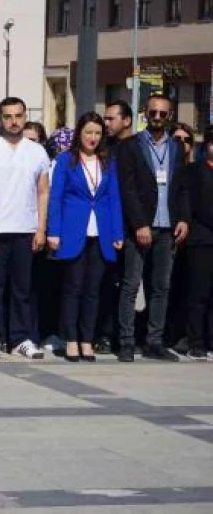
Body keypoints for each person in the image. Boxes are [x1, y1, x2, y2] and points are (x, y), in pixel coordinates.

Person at [115, 94, 190, 362]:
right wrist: (139, 223)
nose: (158, 118)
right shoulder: (130, 146)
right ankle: (125, 341)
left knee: (161, 286)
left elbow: (181, 189)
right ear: (144, 113)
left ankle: (154, 341)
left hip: (168, 226)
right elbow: (128, 188)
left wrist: (183, 218)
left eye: (163, 114)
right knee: (131, 284)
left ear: (169, 116)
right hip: (140, 227)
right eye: (153, 113)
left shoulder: (177, 148)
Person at [46, 112, 125, 362]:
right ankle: (70, 339)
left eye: (98, 133)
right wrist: (53, 231)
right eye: (88, 132)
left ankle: (87, 340)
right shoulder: (65, 160)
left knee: (94, 290)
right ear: (79, 133)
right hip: (73, 231)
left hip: (100, 232)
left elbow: (114, 198)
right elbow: (56, 198)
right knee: (73, 288)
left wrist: (117, 232)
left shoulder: (107, 161)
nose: (93, 138)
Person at [0, 97, 50, 360]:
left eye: (18, 115)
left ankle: (21, 337)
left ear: (25, 116)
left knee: (24, 288)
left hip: (26, 228)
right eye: (8, 116)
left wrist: (41, 228)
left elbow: (43, 192)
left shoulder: (37, 152)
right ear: (0, 119)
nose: (13, 121)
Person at [96, 100, 134, 355]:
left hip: (135, 225)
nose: (106, 123)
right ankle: (104, 334)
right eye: (105, 119)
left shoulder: (137, 147)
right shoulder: (104, 149)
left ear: (127, 120)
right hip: (109, 226)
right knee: (107, 282)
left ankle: (129, 336)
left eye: (111, 119)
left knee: (131, 284)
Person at [182, 128, 213, 360]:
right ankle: (196, 341)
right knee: (199, 293)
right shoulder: (194, 171)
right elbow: (199, 206)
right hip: (202, 240)